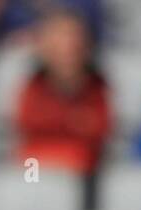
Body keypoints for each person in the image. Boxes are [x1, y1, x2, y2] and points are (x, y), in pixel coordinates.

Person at [12, 11, 110, 185]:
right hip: (36, 162)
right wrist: (74, 120)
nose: (67, 51)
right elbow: (27, 122)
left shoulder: (98, 86)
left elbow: (99, 128)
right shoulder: (33, 84)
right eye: (60, 43)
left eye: (73, 43)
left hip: (83, 169)